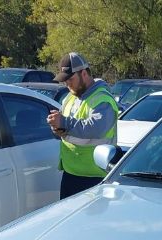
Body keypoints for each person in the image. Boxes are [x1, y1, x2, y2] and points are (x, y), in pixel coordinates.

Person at [47, 52, 118, 199]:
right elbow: (66, 129)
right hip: (70, 175)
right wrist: (57, 128)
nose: (67, 84)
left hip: (95, 178)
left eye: (70, 79)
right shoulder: (69, 98)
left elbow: (96, 128)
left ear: (84, 73)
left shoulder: (102, 98)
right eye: (64, 81)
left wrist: (64, 123)